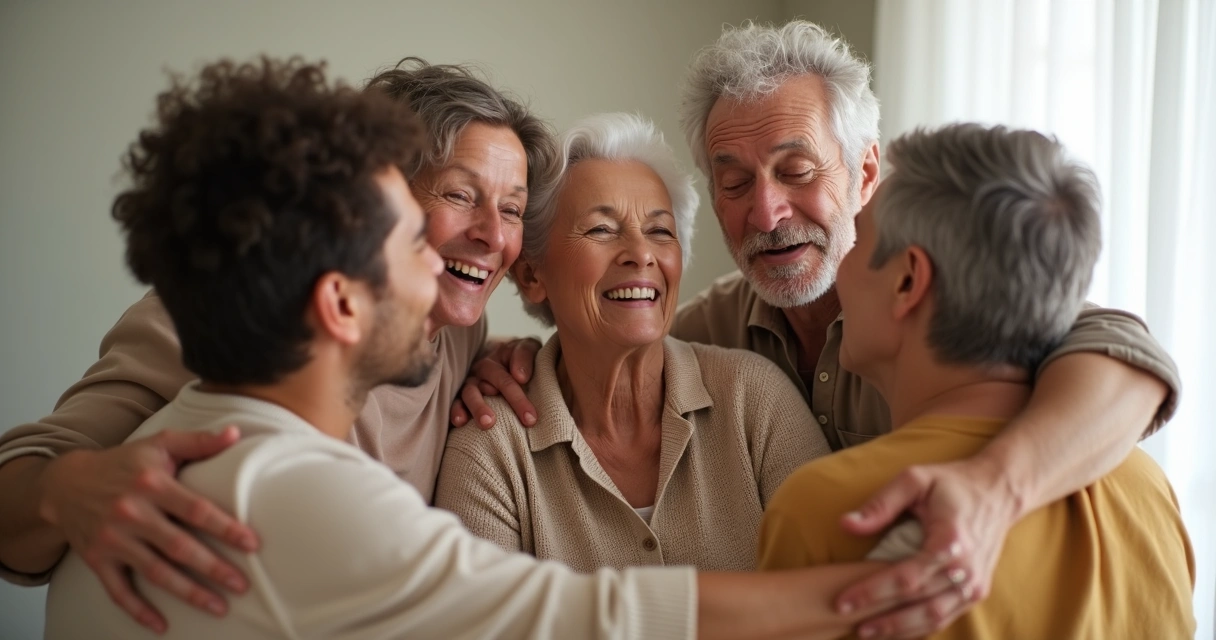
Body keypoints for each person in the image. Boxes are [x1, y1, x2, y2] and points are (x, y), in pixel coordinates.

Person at [44, 55, 942, 640]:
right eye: (416, 237)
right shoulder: (280, 481)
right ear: (341, 294)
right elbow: (566, 616)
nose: (482, 246)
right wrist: (888, 592)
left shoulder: (460, 343)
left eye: (512, 212)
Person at [454, 20, 1181, 638]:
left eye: (796, 170)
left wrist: (996, 488)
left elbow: (1123, 353)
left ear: (867, 171)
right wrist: (502, 355)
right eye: (734, 182)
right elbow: (616, 334)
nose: (766, 213)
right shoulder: (716, 334)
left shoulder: (952, 313)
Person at [0, 58, 553, 632]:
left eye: (511, 209)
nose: (493, 234)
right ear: (367, 197)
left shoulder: (462, 335)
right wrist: (64, 490)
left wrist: (520, 357)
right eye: (460, 195)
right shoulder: (223, 319)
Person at [757, 122, 1196, 638]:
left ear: (906, 281)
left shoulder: (830, 506)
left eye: (858, 242)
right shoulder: (1146, 486)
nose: (842, 271)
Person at [434, 113, 831, 571]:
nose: (641, 254)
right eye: (602, 230)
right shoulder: (489, 446)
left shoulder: (755, 398)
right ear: (530, 274)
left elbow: (835, 598)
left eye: (661, 231)